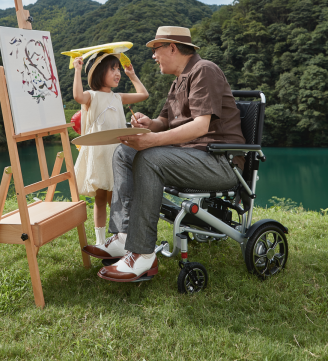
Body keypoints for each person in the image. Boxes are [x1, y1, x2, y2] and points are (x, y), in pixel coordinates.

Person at [83, 26, 246, 282]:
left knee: (149, 157)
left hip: (219, 163)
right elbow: (164, 121)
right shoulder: (178, 81)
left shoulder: (204, 70)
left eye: (155, 49)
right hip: (189, 158)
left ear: (172, 47)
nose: (153, 56)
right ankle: (124, 237)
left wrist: (153, 141)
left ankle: (143, 254)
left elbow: (201, 126)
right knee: (124, 152)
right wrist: (149, 124)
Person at [73, 51, 149, 248]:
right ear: (99, 72)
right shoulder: (92, 96)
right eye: (112, 69)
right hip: (99, 155)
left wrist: (132, 75)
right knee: (100, 199)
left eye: (118, 69)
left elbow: (143, 94)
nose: (118, 73)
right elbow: (77, 96)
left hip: (117, 154)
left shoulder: (118, 97)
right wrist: (78, 70)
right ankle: (100, 242)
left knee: (116, 198)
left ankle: (120, 238)